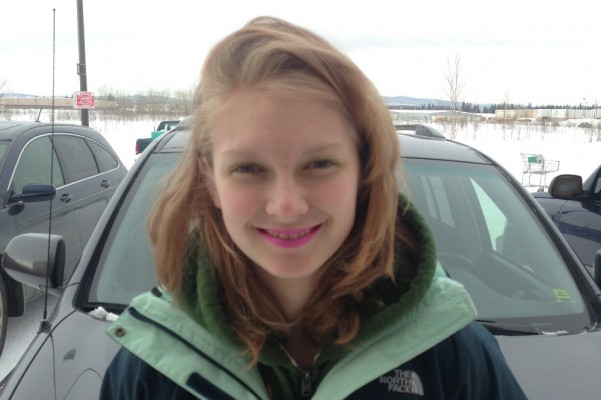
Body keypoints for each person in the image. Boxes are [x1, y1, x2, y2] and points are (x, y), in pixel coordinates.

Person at [99, 16, 527, 399]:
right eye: (248, 168)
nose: (287, 205)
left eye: (319, 164)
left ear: (363, 169)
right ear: (211, 179)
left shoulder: (451, 357)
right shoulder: (151, 368)